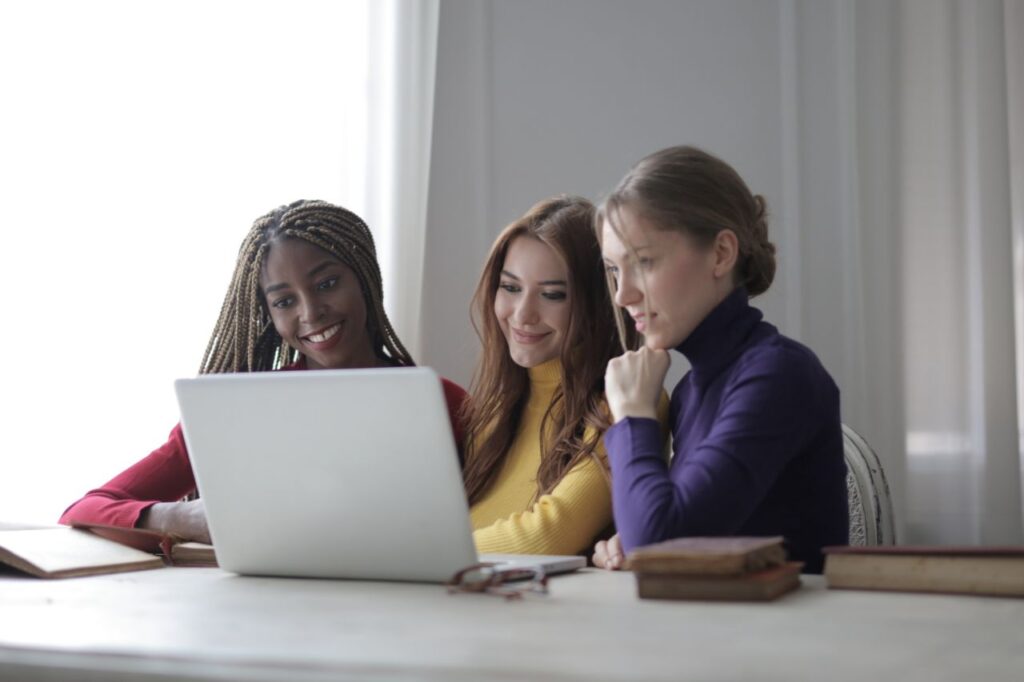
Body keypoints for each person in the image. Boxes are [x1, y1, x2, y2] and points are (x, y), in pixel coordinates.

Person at [60, 200, 467, 542]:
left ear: (364, 278)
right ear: (269, 314)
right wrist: (185, 520)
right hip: (262, 620)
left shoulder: (445, 403)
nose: (310, 312)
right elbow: (84, 512)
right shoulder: (232, 410)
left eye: (326, 284)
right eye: (284, 301)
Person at [592, 146, 848, 574]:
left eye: (643, 262)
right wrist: (630, 535)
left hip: (789, 637)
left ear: (721, 253)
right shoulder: (691, 390)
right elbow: (671, 533)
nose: (623, 295)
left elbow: (660, 543)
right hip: (719, 631)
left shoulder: (779, 374)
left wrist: (634, 415)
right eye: (614, 270)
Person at [461, 195, 668, 556]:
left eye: (553, 295)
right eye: (510, 288)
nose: (522, 314)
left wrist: (419, 552)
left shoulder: (625, 401)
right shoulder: (493, 408)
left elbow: (546, 537)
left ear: (597, 305)